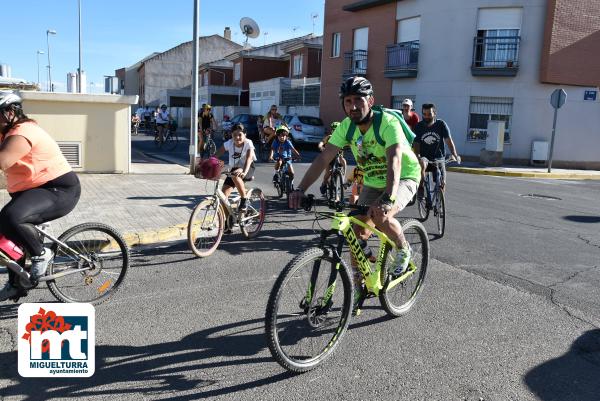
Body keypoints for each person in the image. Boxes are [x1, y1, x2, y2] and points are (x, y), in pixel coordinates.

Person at [288, 76, 421, 310]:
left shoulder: (387, 123)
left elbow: (395, 162)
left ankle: (403, 249)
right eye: (348, 101)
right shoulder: (347, 128)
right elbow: (323, 158)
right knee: (354, 231)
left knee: (381, 216)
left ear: (370, 100)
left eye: (358, 100)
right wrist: (300, 189)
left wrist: (388, 199)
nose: (353, 106)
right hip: (373, 181)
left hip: (404, 176)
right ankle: (359, 285)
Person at [0, 91, 81, 300]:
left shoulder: (23, 132)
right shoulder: (5, 132)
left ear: (10, 113)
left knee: (13, 216)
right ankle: (16, 283)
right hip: (33, 191)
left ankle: (41, 253)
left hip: (59, 189)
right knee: (5, 230)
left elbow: (2, 162)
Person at [412, 103, 460, 191]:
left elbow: (448, 140)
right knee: (422, 163)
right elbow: (416, 144)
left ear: (434, 113)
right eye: (424, 114)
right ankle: (421, 189)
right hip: (425, 157)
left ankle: (440, 202)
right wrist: (418, 156)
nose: (426, 117)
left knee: (442, 183)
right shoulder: (418, 126)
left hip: (439, 158)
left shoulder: (441, 124)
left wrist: (454, 154)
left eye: (429, 114)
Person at [210, 123, 256, 213]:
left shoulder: (248, 143)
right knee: (223, 197)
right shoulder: (229, 143)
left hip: (248, 167)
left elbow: (249, 158)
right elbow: (216, 155)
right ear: (231, 135)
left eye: (240, 135)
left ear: (245, 135)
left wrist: (243, 171)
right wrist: (208, 163)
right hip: (234, 170)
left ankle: (244, 199)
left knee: (235, 175)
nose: (237, 137)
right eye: (234, 135)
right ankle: (228, 223)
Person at [318, 121, 347, 196]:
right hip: (330, 158)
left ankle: (343, 177)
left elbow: (350, 143)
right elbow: (322, 142)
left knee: (343, 160)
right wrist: (321, 146)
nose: (335, 131)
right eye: (334, 129)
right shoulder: (329, 137)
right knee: (328, 172)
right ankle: (324, 183)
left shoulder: (343, 137)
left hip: (338, 156)